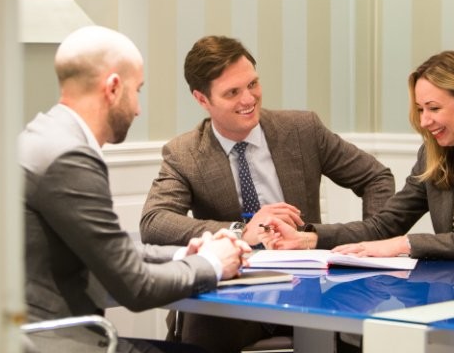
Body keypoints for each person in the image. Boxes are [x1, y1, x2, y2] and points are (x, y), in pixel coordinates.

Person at [139, 35, 395, 353]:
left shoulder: (303, 130)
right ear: (202, 100)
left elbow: (376, 178)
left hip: (309, 285)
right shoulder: (185, 153)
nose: (249, 99)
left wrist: (373, 246)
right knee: (202, 326)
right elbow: (154, 221)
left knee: (363, 324)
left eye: (253, 84)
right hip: (234, 291)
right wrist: (239, 233)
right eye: (232, 92)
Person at [19, 26, 250, 353]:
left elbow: (110, 248)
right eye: (137, 90)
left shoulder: (44, 135)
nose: (138, 109)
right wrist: (212, 264)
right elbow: (135, 288)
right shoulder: (69, 157)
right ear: (113, 87)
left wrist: (185, 253)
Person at [262, 50, 454, 262]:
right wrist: (307, 238)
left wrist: (403, 244)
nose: (424, 121)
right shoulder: (433, 158)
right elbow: (383, 226)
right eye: (420, 109)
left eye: (434, 108)